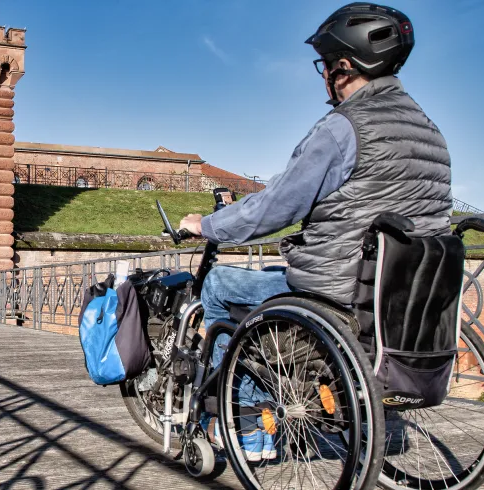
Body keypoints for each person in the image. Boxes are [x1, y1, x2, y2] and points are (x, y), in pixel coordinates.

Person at [180, 2, 453, 461]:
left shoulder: (344, 127)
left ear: (344, 67)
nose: (323, 75)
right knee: (268, 277)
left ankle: (245, 427)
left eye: (325, 65)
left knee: (222, 286)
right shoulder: (430, 133)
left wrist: (206, 224)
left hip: (338, 294)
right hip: (403, 300)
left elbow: (275, 207)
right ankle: (353, 415)